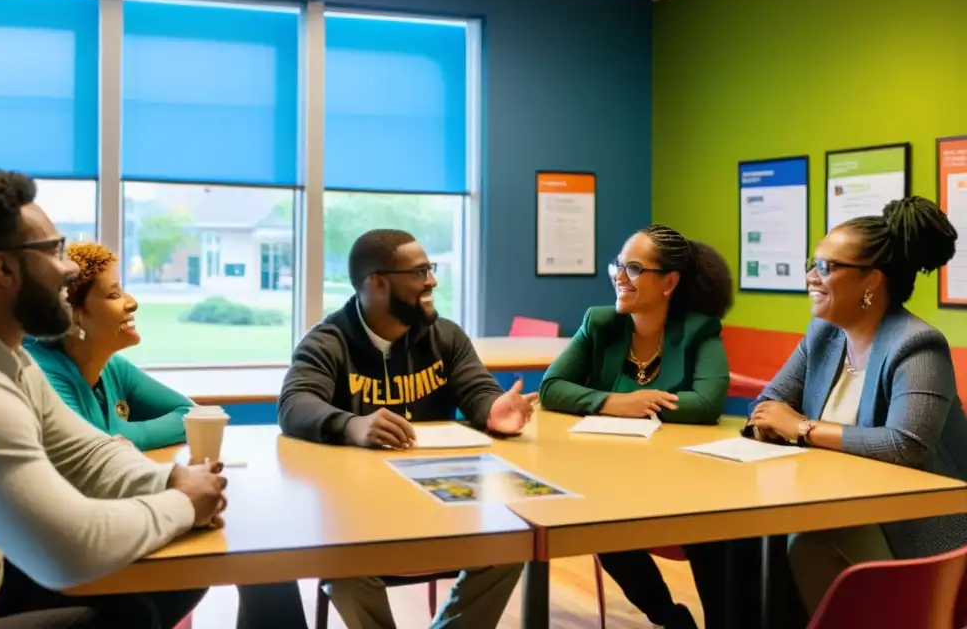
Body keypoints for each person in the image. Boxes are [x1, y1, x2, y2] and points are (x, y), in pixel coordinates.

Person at [0, 170, 226, 629]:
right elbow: (71, 552)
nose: (69, 267)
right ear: (3, 269)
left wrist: (172, 479)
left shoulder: (5, 356)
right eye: (53, 250)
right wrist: (183, 503)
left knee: (169, 585)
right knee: (130, 614)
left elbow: (88, 453)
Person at [24, 241, 309, 629]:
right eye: (113, 293)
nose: (131, 302)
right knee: (250, 560)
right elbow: (86, 461)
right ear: (74, 314)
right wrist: (112, 441)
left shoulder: (113, 369)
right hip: (61, 561)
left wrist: (122, 434)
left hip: (117, 526)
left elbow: (191, 415)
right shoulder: (40, 371)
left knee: (262, 558)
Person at [278, 229, 535, 629]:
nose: (432, 281)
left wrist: (492, 408)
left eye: (430, 270)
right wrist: (352, 425)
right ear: (377, 282)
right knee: (345, 570)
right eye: (419, 272)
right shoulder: (329, 341)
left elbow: (477, 387)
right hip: (359, 514)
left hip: (445, 500)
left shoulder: (445, 335)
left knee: (509, 540)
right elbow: (294, 404)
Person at [746, 196, 967, 614]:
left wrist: (802, 429)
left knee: (810, 542)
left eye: (826, 267)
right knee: (747, 545)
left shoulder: (917, 345)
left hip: (919, 524)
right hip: (840, 502)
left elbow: (907, 445)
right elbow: (770, 402)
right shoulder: (823, 335)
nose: (811, 276)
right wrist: (773, 422)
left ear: (871, 281)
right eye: (812, 263)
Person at [540, 224, 757, 629]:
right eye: (618, 266)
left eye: (635, 268)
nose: (620, 277)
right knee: (599, 524)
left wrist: (646, 405)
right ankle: (670, 619)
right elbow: (552, 387)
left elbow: (707, 404)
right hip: (613, 475)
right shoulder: (600, 324)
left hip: (687, 478)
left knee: (713, 531)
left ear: (669, 282)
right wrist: (615, 402)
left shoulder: (698, 330)